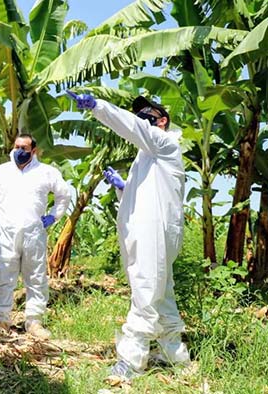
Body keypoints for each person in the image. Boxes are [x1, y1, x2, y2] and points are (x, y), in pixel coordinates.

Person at [68, 90, 190, 380]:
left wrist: (98, 107)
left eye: (148, 114)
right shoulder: (147, 156)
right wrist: (123, 186)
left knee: (146, 289)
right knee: (162, 294)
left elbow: (132, 127)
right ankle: (176, 355)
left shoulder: (165, 143)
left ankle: (131, 360)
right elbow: (146, 194)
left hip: (154, 233)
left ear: (162, 122)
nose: (141, 118)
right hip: (151, 232)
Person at [0, 134, 70, 339]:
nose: (20, 151)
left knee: (36, 277)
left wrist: (54, 216)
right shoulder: (1, 172)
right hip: (6, 231)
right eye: (17, 147)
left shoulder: (46, 172)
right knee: (3, 277)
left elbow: (63, 195)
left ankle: (34, 321)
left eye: (25, 148)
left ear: (34, 151)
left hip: (34, 232)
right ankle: (0, 319)